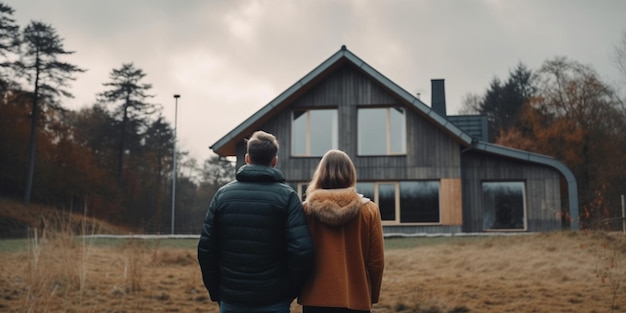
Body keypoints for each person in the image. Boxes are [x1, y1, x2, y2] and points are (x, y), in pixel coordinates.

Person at [198, 130, 314, 313]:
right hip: (274, 300)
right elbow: (302, 251)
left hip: (231, 298)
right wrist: (288, 291)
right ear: (274, 161)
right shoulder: (288, 197)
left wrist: (217, 291)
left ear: (247, 159)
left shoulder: (223, 196)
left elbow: (206, 249)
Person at [298, 149, 385, 313]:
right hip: (356, 298)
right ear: (351, 174)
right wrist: (370, 294)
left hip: (315, 298)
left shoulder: (306, 211)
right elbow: (376, 262)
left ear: (320, 174)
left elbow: (299, 255)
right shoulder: (370, 210)